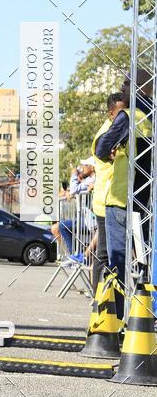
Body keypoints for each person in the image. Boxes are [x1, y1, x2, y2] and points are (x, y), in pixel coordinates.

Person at [95, 69, 153, 318]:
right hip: (145, 200)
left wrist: (113, 146)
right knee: (143, 260)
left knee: (115, 262)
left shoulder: (128, 116)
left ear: (140, 87)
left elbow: (101, 148)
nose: (122, 88)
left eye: (126, 84)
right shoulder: (151, 115)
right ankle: (144, 316)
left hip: (120, 201)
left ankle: (113, 318)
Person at [89, 92, 125, 291]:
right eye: (120, 112)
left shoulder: (114, 129)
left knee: (111, 253)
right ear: (111, 113)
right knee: (103, 253)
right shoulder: (106, 134)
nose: (124, 115)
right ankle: (97, 299)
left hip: (112, 198)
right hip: (105, 201)